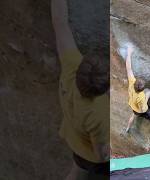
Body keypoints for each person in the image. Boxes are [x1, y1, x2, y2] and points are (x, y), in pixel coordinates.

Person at [51, 0, 109, 179]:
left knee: (76, 171)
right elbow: (101, 155)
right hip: (91, 158)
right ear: (103, 91)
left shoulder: (71, 67)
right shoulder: (98, 114)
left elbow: (60, 23)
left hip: (74, 139)